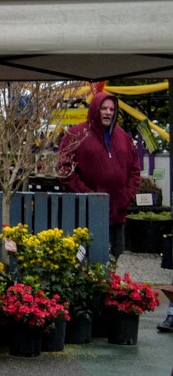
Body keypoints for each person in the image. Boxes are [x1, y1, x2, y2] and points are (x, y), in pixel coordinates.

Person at [58, 91, 140, 258]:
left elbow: (135, 168)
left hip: (117, 213)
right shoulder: (77, 134)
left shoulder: (123, 136)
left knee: (114, 259)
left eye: (112, 109)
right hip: (87, 212)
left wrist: (128, 195)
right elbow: (63, 168)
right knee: (85, 259)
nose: (108, 112)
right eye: (104, 108)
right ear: (95, 109)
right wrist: (87, 194)